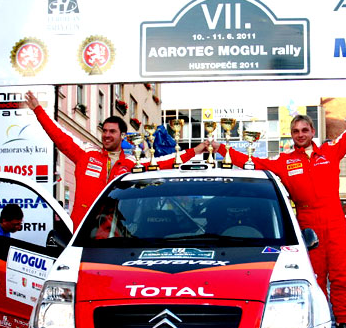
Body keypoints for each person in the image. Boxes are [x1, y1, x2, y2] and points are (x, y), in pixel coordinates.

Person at [212, 76, 346, 328]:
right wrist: (221, 150)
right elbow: (253, 163)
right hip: (307, 226)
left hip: (334, 222)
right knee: (314, 280)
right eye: (295, 131)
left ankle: (341, 324)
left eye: (304, 130)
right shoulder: (284, 162)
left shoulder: (331, 152)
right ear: (291, 135)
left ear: (312, 131)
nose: (300, 134)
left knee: (340, 277)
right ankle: (321, 325)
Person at [25, 91, 209, 229]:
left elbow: (164, 162)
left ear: (122, 135)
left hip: (114, 232)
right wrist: (38, 110)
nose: (106, 135)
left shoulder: (132, 162)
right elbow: (59, 136)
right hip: (82, 230)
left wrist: (196, 150)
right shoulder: (86, 154)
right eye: (104, 131)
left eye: (111, 132)